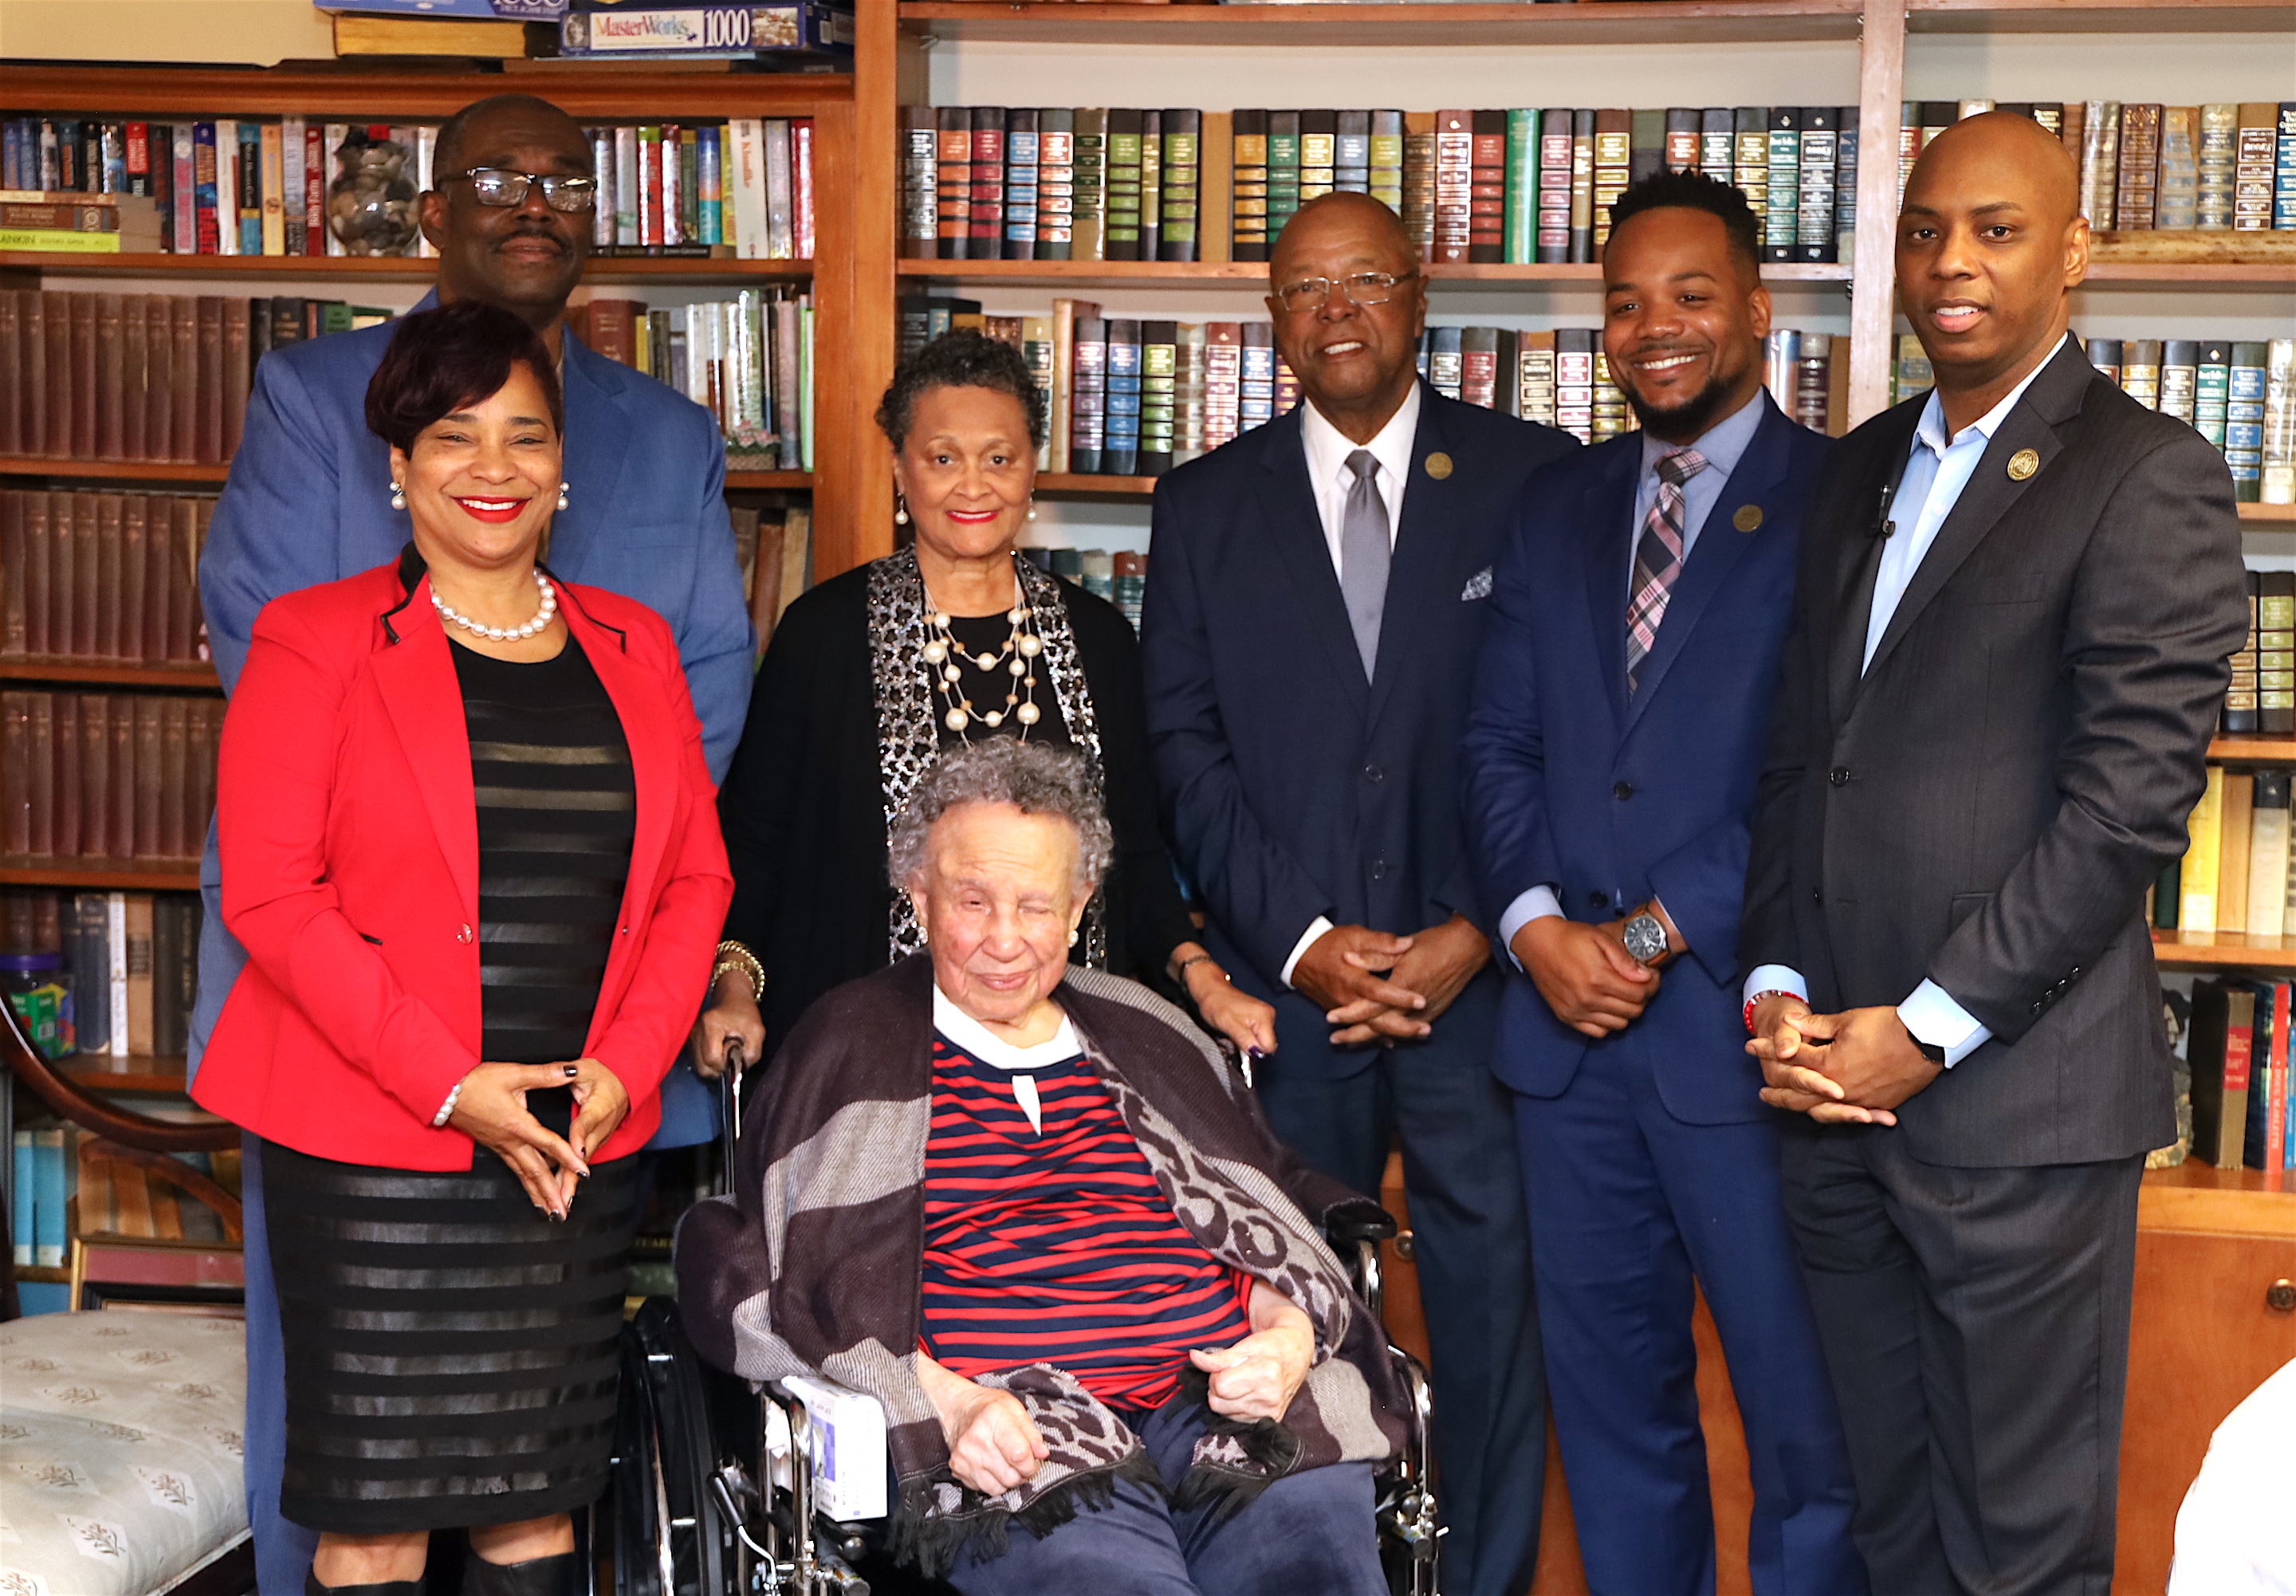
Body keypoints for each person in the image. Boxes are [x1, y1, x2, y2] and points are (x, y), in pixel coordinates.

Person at [195, 92, 753, 1592]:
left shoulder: (636, 586)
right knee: (360, 1497)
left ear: (562, 463)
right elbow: (279, 841)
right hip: (367, 1083)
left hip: (573, 1097)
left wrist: (619, 1056)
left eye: (561, 178)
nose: (490, 467)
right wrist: (447, 1071)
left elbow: (695, 833)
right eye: (455, 439)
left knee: (535, 1495)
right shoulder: (311, 445)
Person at [1739, 111, 2247, 1595]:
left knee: (2019, 1552)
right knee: (1891, 1527)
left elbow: (2127, 809)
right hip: (1830, 1100)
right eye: (1922, 229)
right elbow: (1797, 755)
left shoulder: (2148, 474)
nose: (1950, 262)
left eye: (1997, 228)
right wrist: (1776, 980)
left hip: (2013, 1123)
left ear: (2075, 252)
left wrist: (1928, 1027)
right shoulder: (1854, 470)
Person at [679, 740, 1399, 1596]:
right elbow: (775, 1272)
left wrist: (1285, 1339)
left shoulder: (1147, 1027)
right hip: (1018, 1427)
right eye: (972, 901)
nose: (1005, 939)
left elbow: (1260, 1221)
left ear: (1080, 903)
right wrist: (948, 1402)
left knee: (1318, 1573)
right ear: (917, 893)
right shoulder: (847, 1046)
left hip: (1223, 1402)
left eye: (1036, 905)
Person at [1138, 190, 1575, 1596]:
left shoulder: (1535, 478)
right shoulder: (1204, 505)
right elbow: (1185, 752)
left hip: (1486, 990)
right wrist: (1313, 941)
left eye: (1364, 280)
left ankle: (1485, 1581)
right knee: (1278, 1324)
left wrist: (1471, 927)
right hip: (1290, 1000)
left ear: (1418, 294)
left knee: (1494, 1323)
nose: (1336, 310)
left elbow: (1570, 731)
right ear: (1273, 320)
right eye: (1304, 289)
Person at [1461, 170, 1865, 1596]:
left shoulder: (1845, 500)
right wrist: (1530, 930)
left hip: (1742, 1043)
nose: (1657, 329)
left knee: (1804, 1426)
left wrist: (1640, 930)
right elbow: (1497, 741)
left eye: (1692, 296)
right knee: (1616, 1420)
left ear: (1757, 309)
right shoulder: (1554, 503)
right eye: (1627, 304)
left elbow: (1822, 766)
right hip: (1565, 1055)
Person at [699, 330, 1272, 1071]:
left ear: (1032, 470)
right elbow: (754, 845)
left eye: (1000, 458)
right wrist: (735, 988)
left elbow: (1134, 849)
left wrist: (1202, 978)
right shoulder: (821, 633)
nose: (974, 485)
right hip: (861, 1055)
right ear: (901, 470)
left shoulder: (1098, 639)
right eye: (943, 458)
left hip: (1066, 1048)